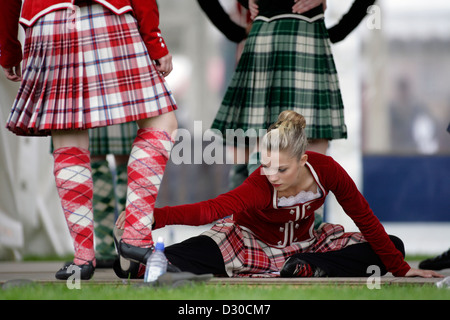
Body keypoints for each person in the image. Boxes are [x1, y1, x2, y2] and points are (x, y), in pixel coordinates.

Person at [115, 111, 442, 279]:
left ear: (303, 160)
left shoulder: (326, 170)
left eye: (281, 170)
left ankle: (307, 266)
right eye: (266, 166)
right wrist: (150, 216)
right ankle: (134, 266)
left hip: (309, 245)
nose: (272, 176)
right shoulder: (261, 184)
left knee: (392, 246)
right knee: (187, 255)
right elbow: (212, 209)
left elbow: (363, 216)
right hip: (249, 244)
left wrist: (400, 268)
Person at [1, 0, 178, 280]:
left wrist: (9, 46)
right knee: (162, 122)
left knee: (69, 141)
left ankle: (83, 258)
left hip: (47, 21)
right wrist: (154, 38)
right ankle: (135, 235)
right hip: (108, 13)